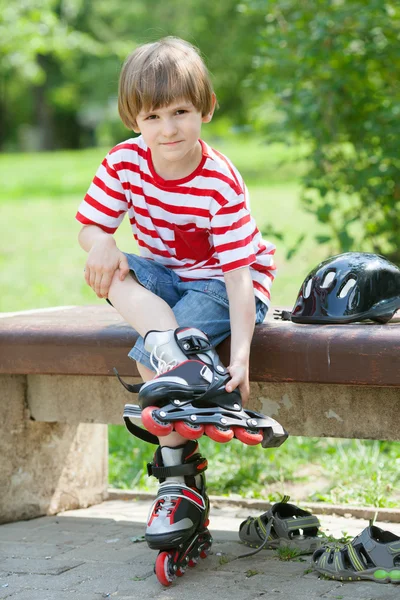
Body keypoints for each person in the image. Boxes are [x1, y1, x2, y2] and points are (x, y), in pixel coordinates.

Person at [76, 36, 276, 583]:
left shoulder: (218, 181)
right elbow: (91, 225)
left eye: (182, 112)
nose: (169, 129)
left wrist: (242, 356)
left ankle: (177, 477)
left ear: (205, 109)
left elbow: (237, 279)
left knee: (148, 367)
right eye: (153, 115)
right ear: (133, 119)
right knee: (108, 267)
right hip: (167, 277)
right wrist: (101, 242)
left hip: (223, 285)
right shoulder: (124, 161)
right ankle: (180, 353)